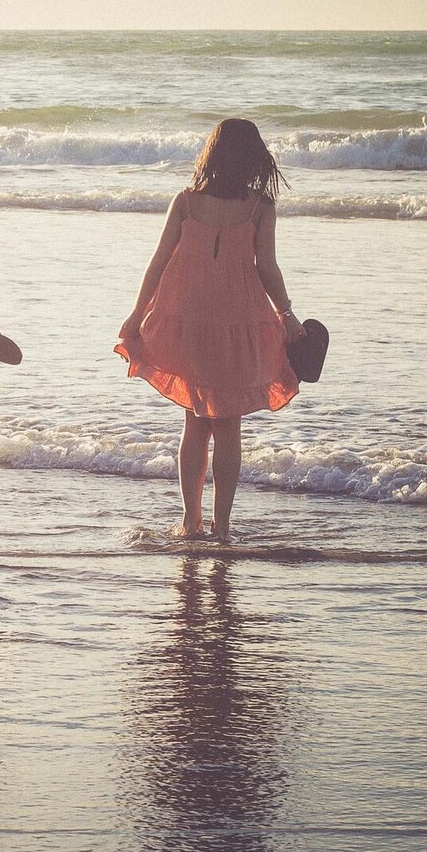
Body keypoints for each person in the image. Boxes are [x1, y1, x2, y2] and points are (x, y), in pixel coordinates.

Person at [115, 119, 304, 541]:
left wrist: (137, 314)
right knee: (228, 426)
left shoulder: (186, 201)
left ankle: (190, 521)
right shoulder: (259, 208)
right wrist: (287, 314)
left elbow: (158, 261)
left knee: (195, 423)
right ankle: (222, 526)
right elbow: (267, 268)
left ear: (212, 155)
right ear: (253, 159)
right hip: (238, 323)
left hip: (190, 322)